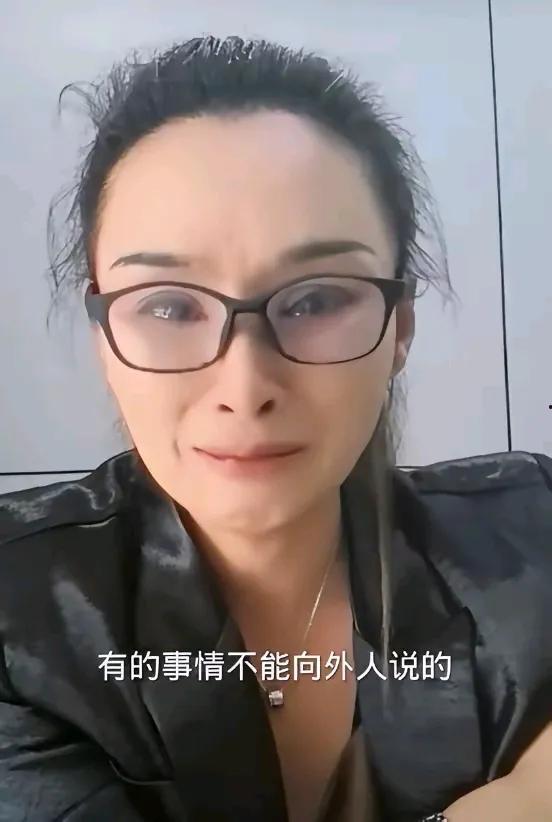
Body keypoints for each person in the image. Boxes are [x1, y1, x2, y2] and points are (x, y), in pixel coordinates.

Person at [0, 35, 551, 822]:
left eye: (317, 299)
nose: (245, 387)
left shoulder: (532, 538)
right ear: (105, 342)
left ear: (399, 328)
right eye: (169, 306)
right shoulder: (17, 615)